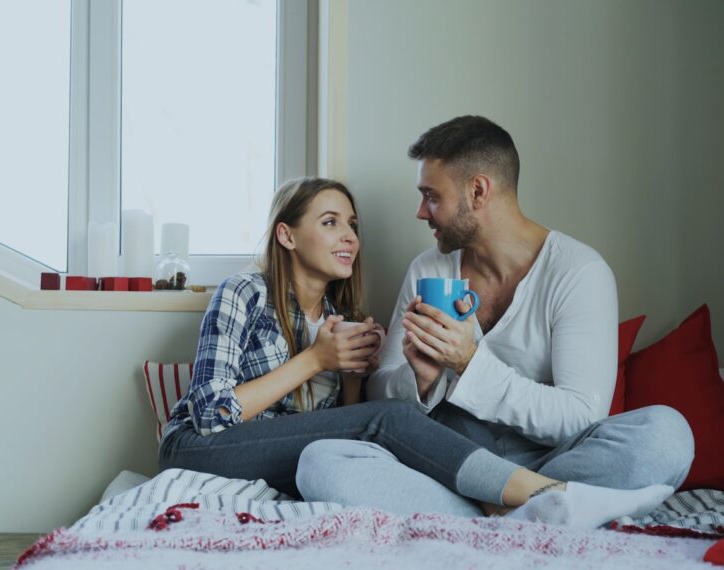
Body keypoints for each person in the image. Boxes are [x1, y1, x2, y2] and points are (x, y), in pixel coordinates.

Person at [159, 176, 674, 529]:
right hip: (199, 449)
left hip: (283, 456)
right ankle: (544, 496)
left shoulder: (343, 317)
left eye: (353, 225)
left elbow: (344, 430)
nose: (349, 237)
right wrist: (315, 361)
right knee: (389, 419)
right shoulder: (243, 292)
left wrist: (357, 371)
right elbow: (209, 415)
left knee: (664, 435)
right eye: (331, 222)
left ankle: (494, 511)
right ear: (286, 234)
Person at [295, 116, 694, 520]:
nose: (420, 212)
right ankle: (534, 511)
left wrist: (469, 363)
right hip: (449, 467)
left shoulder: (578, 272)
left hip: (550, 464)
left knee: (668, 435)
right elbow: (381, 398)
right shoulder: (429, 270)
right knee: (320, 460)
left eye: (431, 196)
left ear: (478, 190)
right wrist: (420, 379)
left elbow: (579, 418)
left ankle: (494, 511)